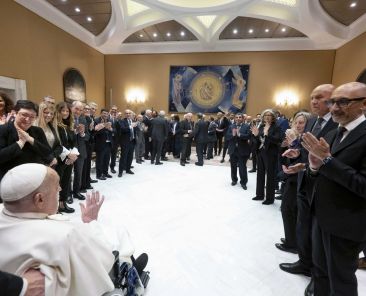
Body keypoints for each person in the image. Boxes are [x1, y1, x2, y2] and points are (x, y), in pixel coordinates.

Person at [0, 163, 143, 296]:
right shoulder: (65, 236)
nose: (61, 190)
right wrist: (91, 222)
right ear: (39, 200)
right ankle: (133, 269)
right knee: (120, 235)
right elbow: (103, 260)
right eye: (57, 187)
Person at [301, 82, 366, 296]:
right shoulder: (332, 134)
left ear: (363, 104)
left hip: (347, 223)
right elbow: (321, 172)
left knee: (340, 280)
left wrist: (327, 160)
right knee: (320, 272)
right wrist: (312, 166)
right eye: (332, 102)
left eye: (343, 102)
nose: (335, 107)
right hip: (321, 217)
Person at [279, 84, 338, 294]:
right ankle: (304, 262)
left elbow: (332, 157)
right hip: (305, 179)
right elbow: (309, 151)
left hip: (323, 186)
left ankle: (316, 273)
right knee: (303, 225)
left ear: (333, 100)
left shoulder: (338, 124)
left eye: (320, 98)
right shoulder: (313, 121)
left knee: (317, 233)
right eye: (312, 97)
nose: (314, 101)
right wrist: (299, 158)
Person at [275, 112, 310, 254]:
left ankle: (292, 243)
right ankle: (291, 239)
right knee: (289, 210)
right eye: (296, 122)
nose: (298, 125)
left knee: (288, 210)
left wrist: (294, 144)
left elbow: (304, 160)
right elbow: (285, 158)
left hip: (299, 179)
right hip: (291, 178)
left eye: (301, 122)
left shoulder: (306, 139)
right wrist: (285, 146)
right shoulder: (295, 138)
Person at [0, 100, 51, 182]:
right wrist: (20, 143)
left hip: (34, 177)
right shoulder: (3, 130)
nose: (27, 119)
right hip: (10, 178)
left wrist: (30, 139)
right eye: (24, 115)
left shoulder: (37, 131)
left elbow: (47, 152)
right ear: (15, 113)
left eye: (32, 117)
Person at [251, 109, 281, 205]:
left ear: (273, 117)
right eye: (265, 115)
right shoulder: (262, 126)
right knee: (260, 174)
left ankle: (270, 198)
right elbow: (258, 139)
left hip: (271, 154)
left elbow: (278, 140)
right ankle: (259, 195)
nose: (267, 117)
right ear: (263, 117)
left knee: (270, 176)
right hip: (261, 152)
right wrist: (255, 136)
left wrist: (268, 135)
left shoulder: (276, 127)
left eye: (269, 115)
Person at [54, 102, 78, 213]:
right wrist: (67, 155)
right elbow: (57, 143)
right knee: (57, 183)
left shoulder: (69, 125)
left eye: (67, 111)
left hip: (70, 158)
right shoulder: (55, 125)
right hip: (60, 159)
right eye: (62, 111)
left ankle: (63, 204)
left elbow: (74, 142)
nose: (65, 113)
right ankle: (56, 206)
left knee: (66, 181)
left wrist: (73, 155)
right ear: (58, 112)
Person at [226, 113, 251, 189]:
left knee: (242, 167)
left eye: (240, 117)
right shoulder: (231, 126)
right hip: (233, 150)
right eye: (236, 117)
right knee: (233, 166)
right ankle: (234, 180)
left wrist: (240, 135)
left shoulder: (247, 126)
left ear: (243, 118)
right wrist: (232, 135)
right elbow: (227, 136)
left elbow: (249, 136)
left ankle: (243, 182)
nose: (238, 118)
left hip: (242, 150)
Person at [34, 102, 62, 169]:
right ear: (40, 112)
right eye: (46, 112)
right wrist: (49, 158)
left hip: (51, 163)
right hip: (38, 164)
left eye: (51, 114)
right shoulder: (33, 126)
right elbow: (36, 147)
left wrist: (53, 157)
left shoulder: (51, 127)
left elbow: (59, 146)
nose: (49, 115)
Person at [94, 109, 113, 180]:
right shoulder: (96, 121)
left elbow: (113, 131)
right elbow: (95, 133)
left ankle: (105, 172)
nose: (105, 115)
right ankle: (99, 175)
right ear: (101, 113)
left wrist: (110, 129)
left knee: (107, 159)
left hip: (108, 143)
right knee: (100, 160)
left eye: (107, 114)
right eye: (104, 113)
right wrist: (103, 127)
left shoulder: (109, 121)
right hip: (100, 144)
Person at [117, 109, 136, 177]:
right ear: (124, 114)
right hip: (125, 142)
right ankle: (120, 172)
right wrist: (131, 126)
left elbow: (134, 131)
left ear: (131, 114)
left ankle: (128, 169)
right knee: (123, 157)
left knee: (130, 157)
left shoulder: (133, 121)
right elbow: (123, 129)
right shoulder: (122, 121)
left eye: (129, 113)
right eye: (126, 113)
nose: (128, 114)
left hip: (132, 141)